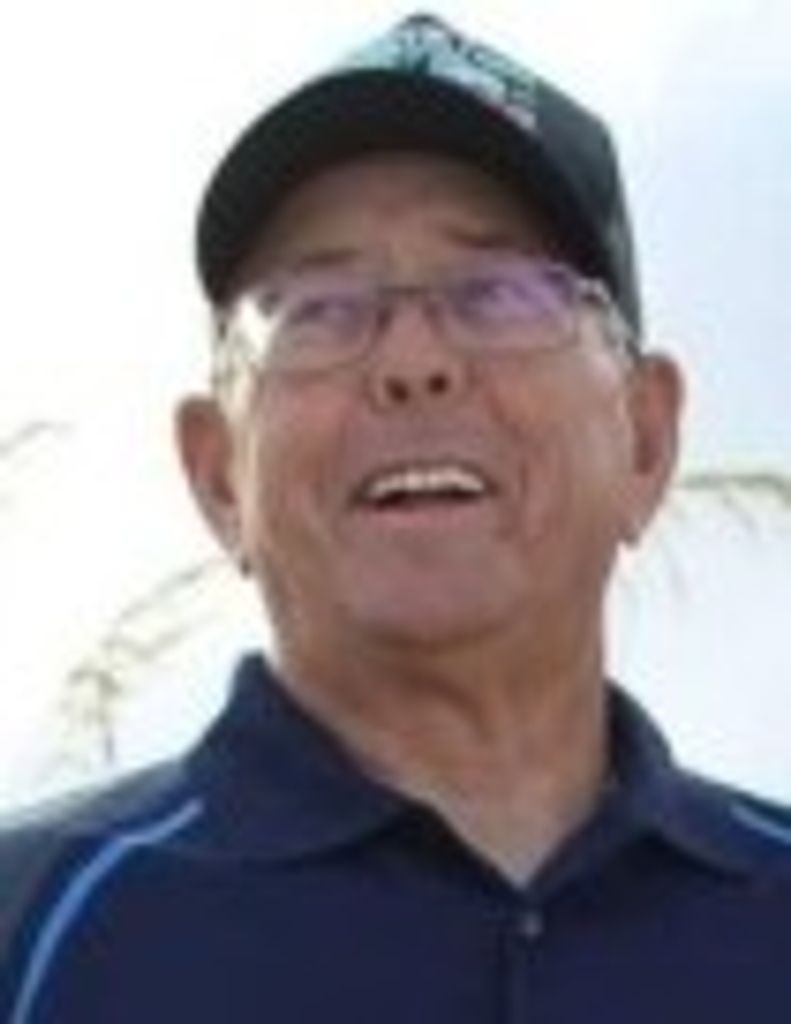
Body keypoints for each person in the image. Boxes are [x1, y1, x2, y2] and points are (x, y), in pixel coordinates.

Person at [2, 13, 790, 1023]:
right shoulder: (32, 933)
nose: (413, 362)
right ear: (219, 475)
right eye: (319, 307)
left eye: (496, 293)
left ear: (643, 437)